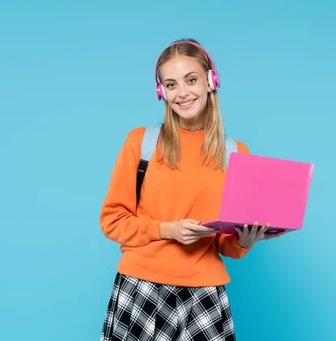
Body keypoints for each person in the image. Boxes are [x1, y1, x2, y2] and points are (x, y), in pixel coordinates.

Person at [98, 38, 286, 341]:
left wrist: (245, 240)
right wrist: (167, 230)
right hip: (141, 286)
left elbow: (227, 247)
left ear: (211, 81)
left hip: (205, 292)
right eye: (171, 85)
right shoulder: (141, 142)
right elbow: (112, 220)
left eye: (191, 80)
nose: (182, 93)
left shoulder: (236, 153)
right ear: (161, 92)